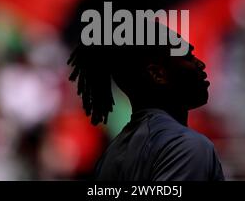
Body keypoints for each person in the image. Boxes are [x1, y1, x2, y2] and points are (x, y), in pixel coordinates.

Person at [67, 22, 224, 181]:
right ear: (157, 74)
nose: (201, 64)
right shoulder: (187, 147)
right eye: (188, 56)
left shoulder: (111, 154)